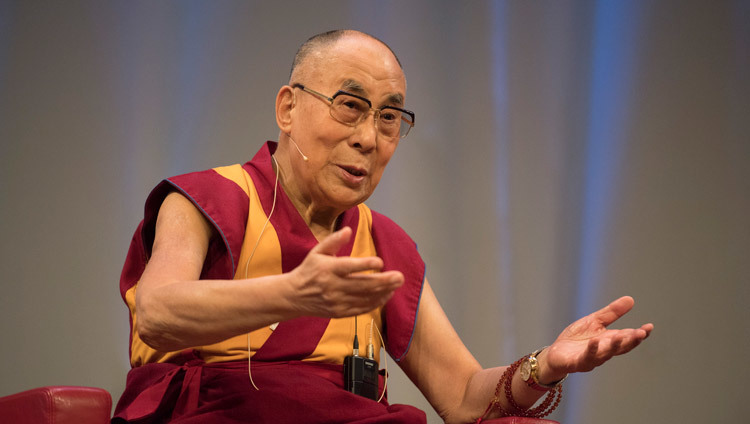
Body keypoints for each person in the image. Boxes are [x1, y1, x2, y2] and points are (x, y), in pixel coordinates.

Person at [113, 29, 653, 424]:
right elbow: (157, 314)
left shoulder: (381, 243)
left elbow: (464, 396)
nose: (370, 138)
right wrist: (292, 293)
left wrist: (546, 365)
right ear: (287, 107)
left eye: (389, 117)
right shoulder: (208, 197)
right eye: (350, 107)